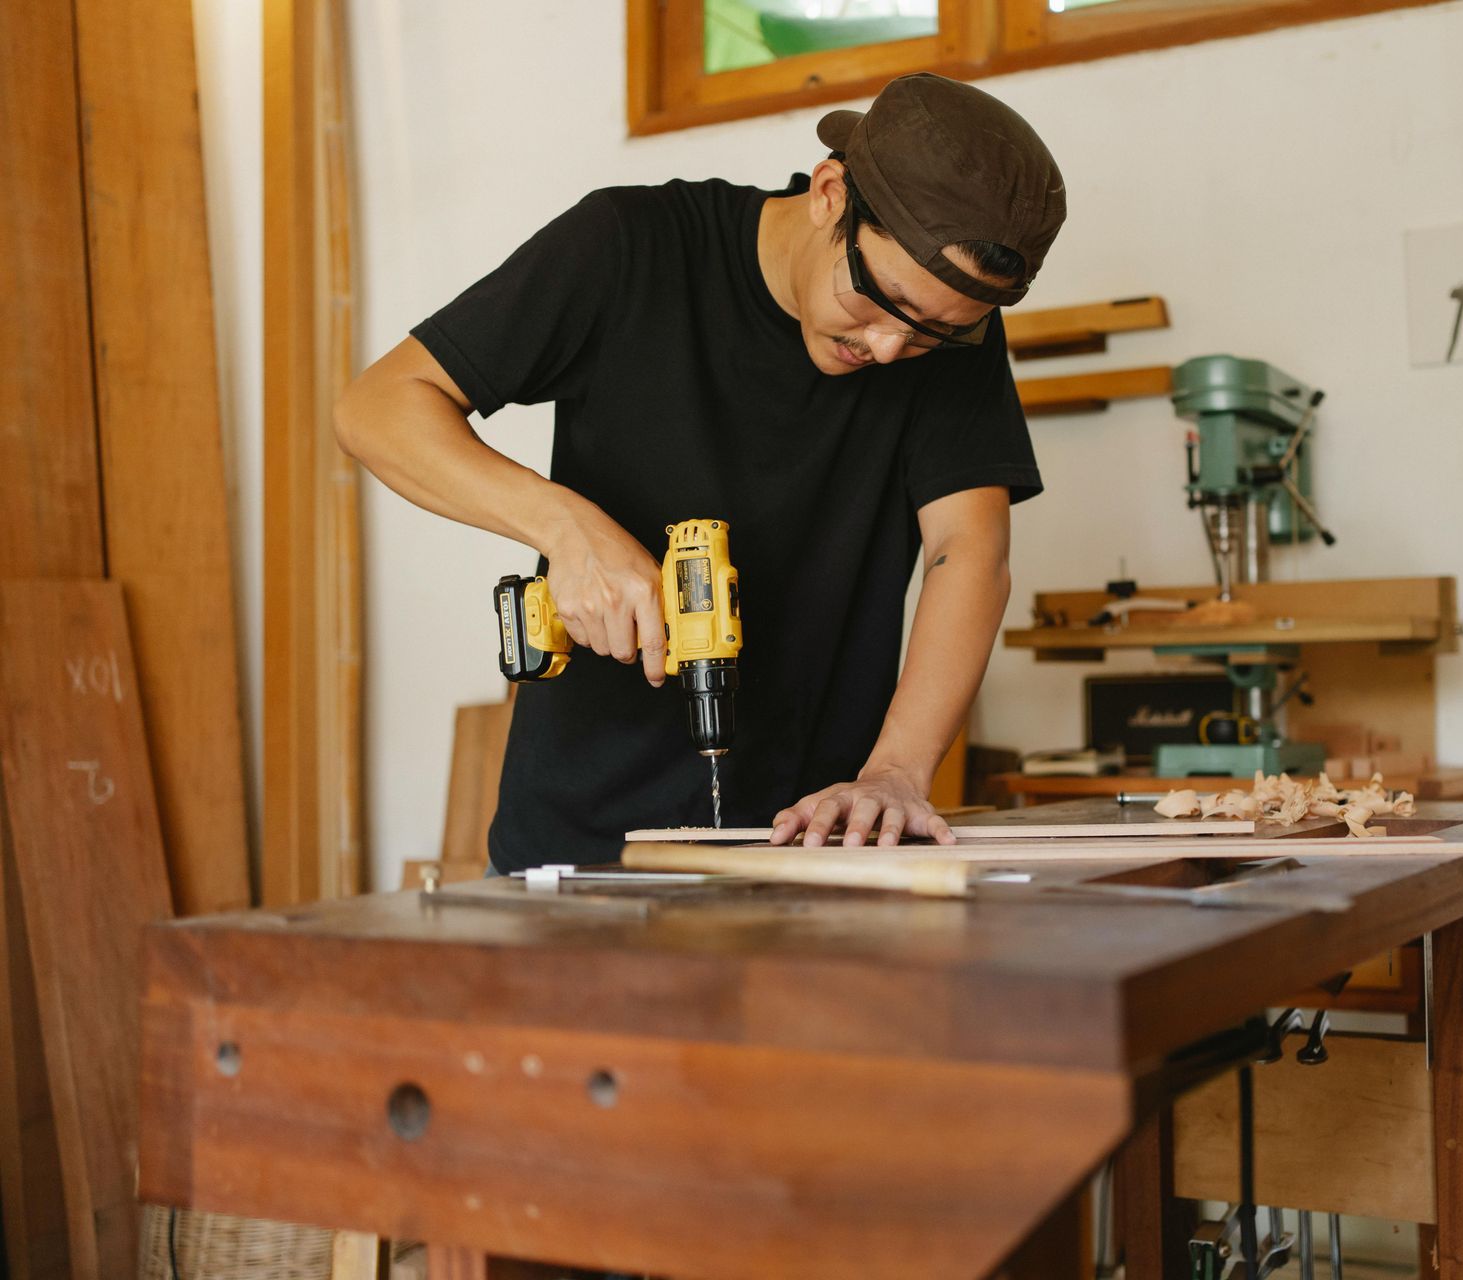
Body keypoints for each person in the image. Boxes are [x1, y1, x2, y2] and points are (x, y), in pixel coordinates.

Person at [335, 73, 1066, 874]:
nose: (890, 348)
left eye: (932, 333)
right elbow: (379, 406)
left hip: (812, 843)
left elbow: (968, 550)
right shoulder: (629, 246)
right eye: (878, 299)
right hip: (584, 848)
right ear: (830, 193)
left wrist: (895, 771)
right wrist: (567, 530)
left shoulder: (948, 325)